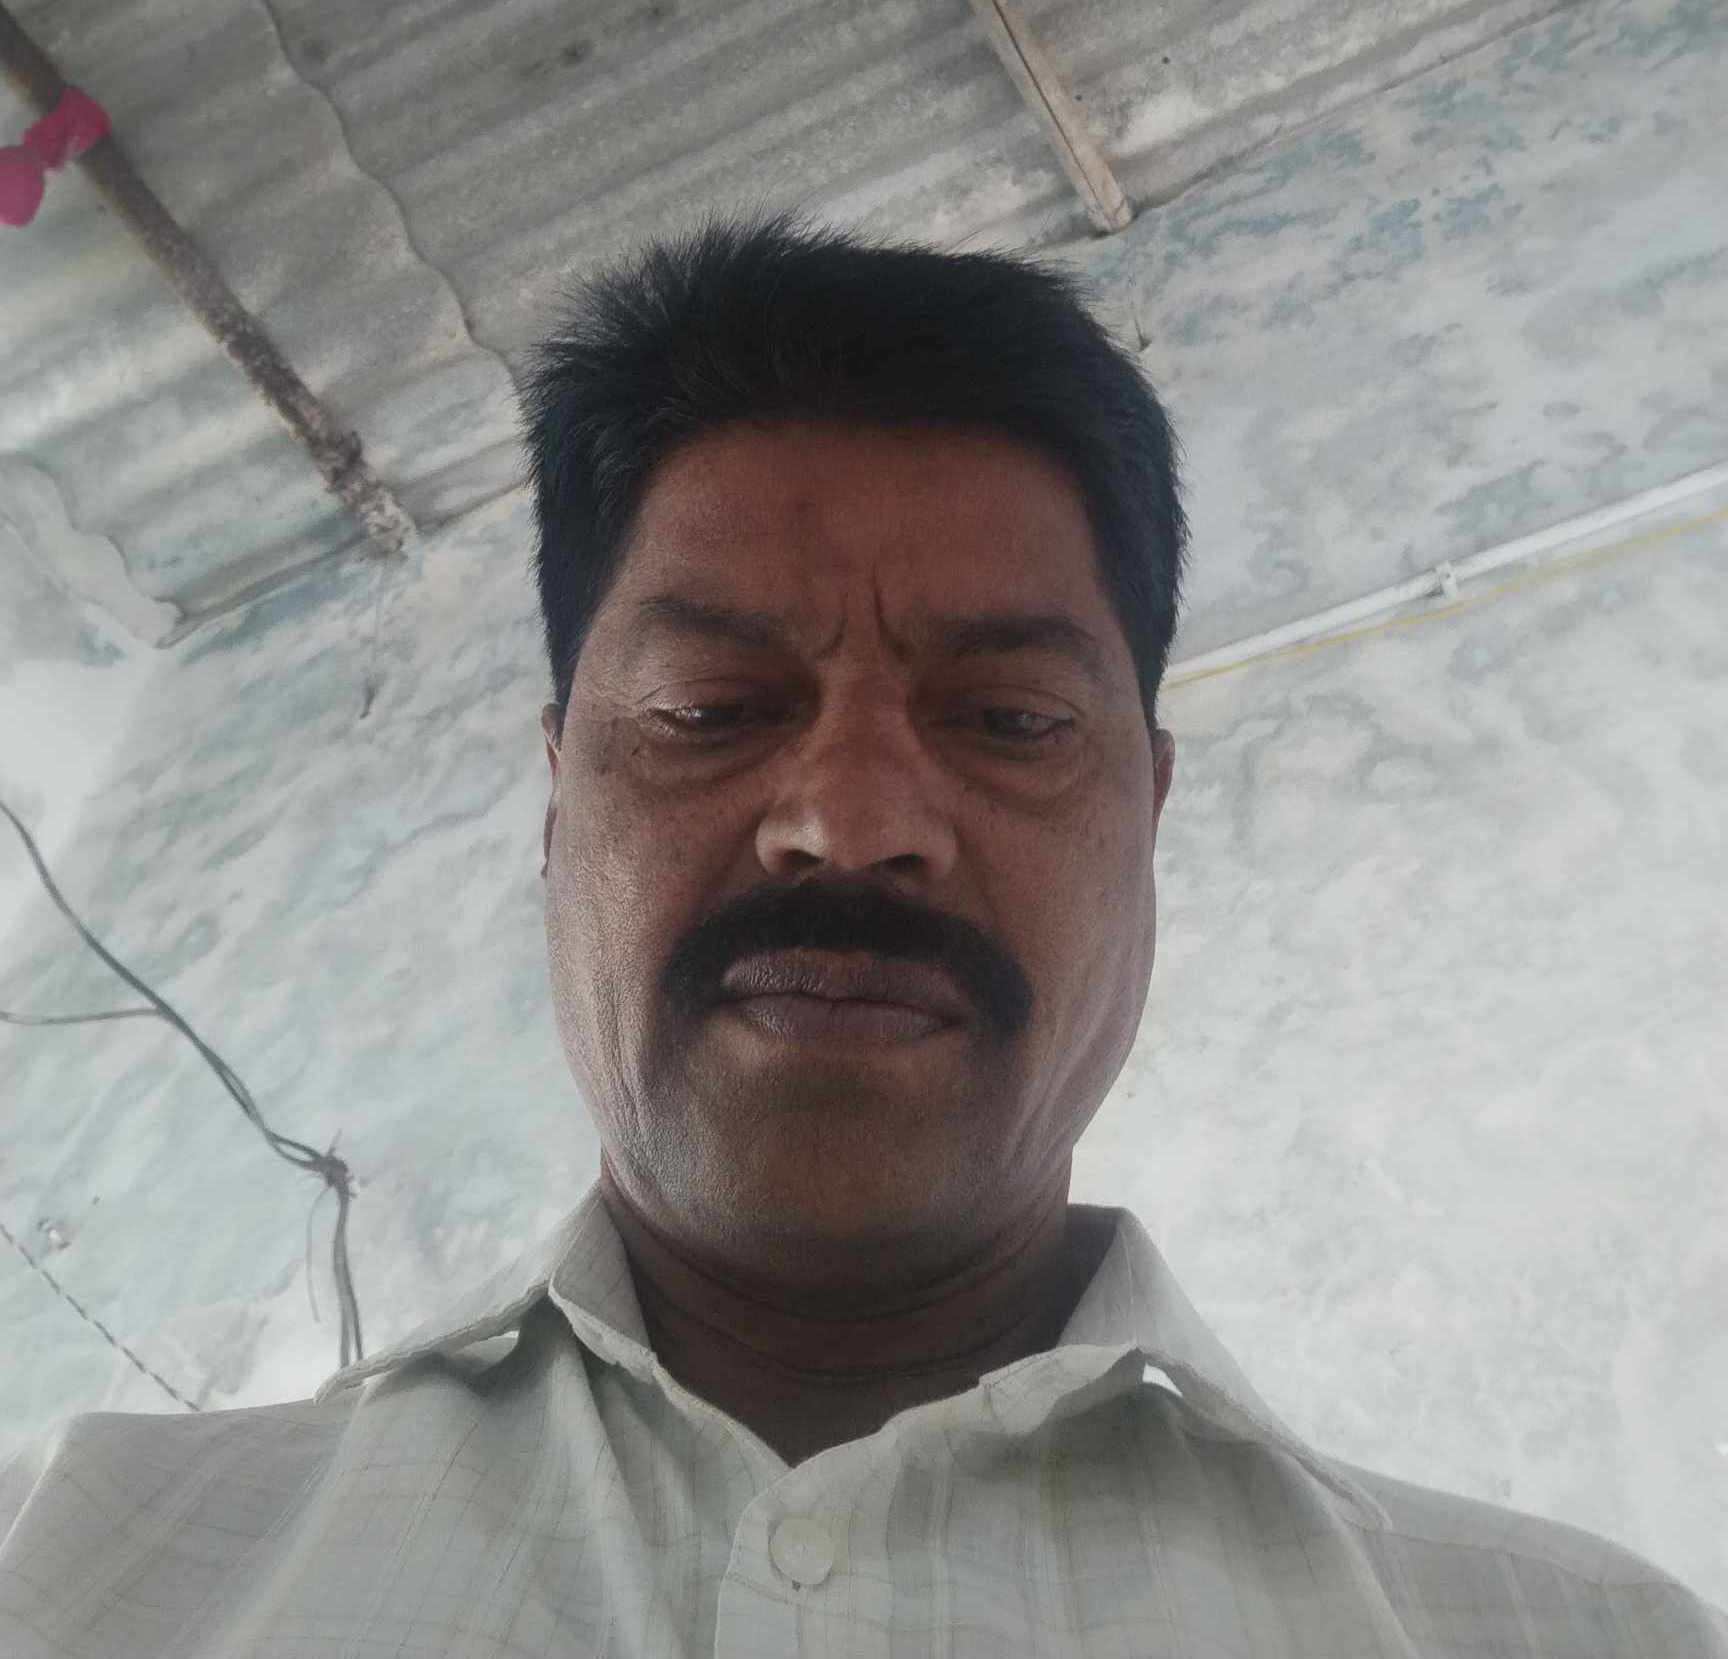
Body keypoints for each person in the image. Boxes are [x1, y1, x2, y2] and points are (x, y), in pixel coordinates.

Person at [2, 206, 1722, 1657]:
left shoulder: (1576, 1635)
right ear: (555, 805)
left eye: (1010, 720)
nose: (851, 818)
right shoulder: (78, 1565)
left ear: (1147, 817)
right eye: (710, 707)